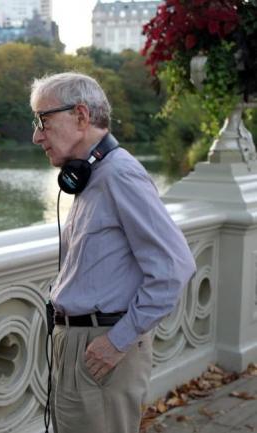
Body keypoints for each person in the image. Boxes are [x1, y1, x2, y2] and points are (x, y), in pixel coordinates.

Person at [30, 72, 196, 433]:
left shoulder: (119, 175)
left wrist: (116, 342)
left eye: (43, 120)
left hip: (100, 348)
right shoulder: (92, 177)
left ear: (81, 116)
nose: (37, 135)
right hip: (79, 345)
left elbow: (175, 267)